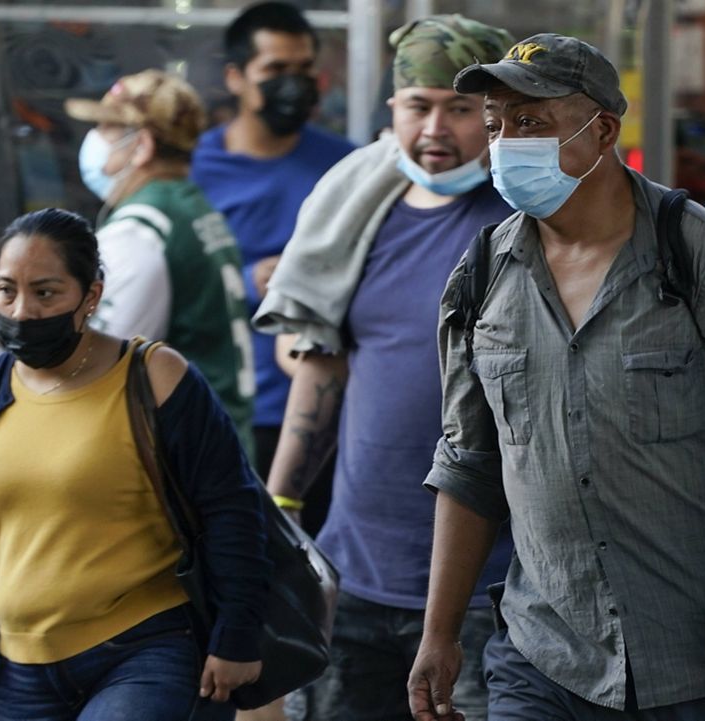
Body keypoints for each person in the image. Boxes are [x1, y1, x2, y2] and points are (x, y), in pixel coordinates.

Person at [407, 34, 705, 720]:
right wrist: (439, 631)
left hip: (703, 660)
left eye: (532, 122)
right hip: (545, 655)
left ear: (601, 129)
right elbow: (467, 461)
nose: (508, 142)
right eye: (495, 125)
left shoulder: (694, 252)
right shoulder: (483, 274)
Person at [0, 208, 270, 721]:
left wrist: (237, 636)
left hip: (147, 649)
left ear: (91, 296)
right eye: (7, 290)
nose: (23, 310)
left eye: (46, 292)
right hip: (21, 670)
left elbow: (232, 509)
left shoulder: (153, 377)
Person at [253, 15, 513, 721]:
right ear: (391, 110)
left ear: (495, 117)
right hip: (355, 573)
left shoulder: (521, 219)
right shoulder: (358, 213)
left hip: (486, 589)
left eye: (460, 108)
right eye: (417, 106)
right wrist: (279, 506)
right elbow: (323, 364)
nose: (435, 128)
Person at [191, 1, 355, 482]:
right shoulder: (193, 170)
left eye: (304, 68)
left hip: (320, 408)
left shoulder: (347, 168)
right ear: (236, 76)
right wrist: (247, 279)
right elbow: (167, 279)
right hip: (219, 408)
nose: (294, 82)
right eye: (275, 69)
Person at [66, 69, 255, 456]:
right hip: (218, 451)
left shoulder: (139, 232)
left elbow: (94, 370)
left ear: (142, 146)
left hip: (182, 467)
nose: (95, 141)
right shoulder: (193, 211)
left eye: (107, 128)